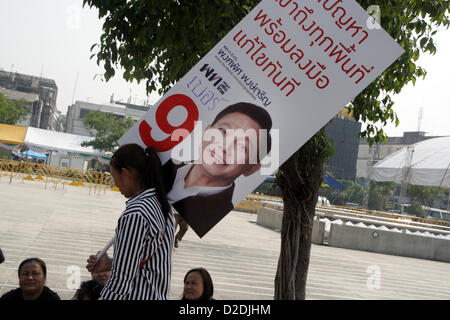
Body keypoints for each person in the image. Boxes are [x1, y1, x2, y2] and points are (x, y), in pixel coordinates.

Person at [163, 102, 272, 238]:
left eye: (243, 146)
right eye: (223, 131)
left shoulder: (210, 216)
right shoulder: (161, 167)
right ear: (207, 131)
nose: (225, 147)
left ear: (251, 168)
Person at [86, 144, 174, 300]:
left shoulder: (135, 214)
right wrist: (111, 263)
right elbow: (148, 263)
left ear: (126, 174)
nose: (115, 184)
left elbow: (120, 283)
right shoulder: (162, 206)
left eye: (115, 178)